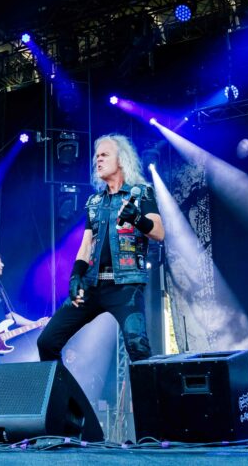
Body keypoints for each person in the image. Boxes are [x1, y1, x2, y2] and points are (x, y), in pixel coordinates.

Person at [37, 134, 164, 363]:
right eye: (96, 156)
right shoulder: (94, 202)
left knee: (138, 347)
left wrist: (137, 218)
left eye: (104, 155)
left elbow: (159, 232)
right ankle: (60, 388)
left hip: (126, 285)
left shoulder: (142, 193)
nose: (98, 160)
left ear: (121, 159)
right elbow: (87, 244)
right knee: (47, 342)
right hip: (92, 284)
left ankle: (149, 388)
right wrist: (76, 276)